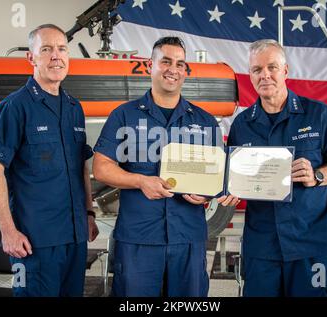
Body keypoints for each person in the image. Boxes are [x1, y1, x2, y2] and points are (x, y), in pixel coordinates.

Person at [92, 36, 239, 297]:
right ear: (151, 65)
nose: (173, 69)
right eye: (166, 61)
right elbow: (102, 167)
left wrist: (206, 194)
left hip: (188, 238)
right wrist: (140, 181)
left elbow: (218, 177)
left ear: (186, 71)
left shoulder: (205, 122)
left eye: (180, 64)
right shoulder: (124, 115)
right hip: (139, 237)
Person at [227, 39, 327, 297]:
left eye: (272, 67)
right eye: (257, 69)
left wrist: (318, 175)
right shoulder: (241, 125)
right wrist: (228, 191)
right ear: (250, 75)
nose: (265, 75)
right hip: (262, 246)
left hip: (311, 241)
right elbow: (232, 178)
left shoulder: (318, 115)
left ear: (285, 71)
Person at [0, 24, 99, 297]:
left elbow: (82, 167)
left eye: (61, 49)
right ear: (31, 58)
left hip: (75, 238)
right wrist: (8, 232)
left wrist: (89, 214)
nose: (55, 56)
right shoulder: (14, 107)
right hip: (34, 242)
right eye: (46, 49)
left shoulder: (74, 108)